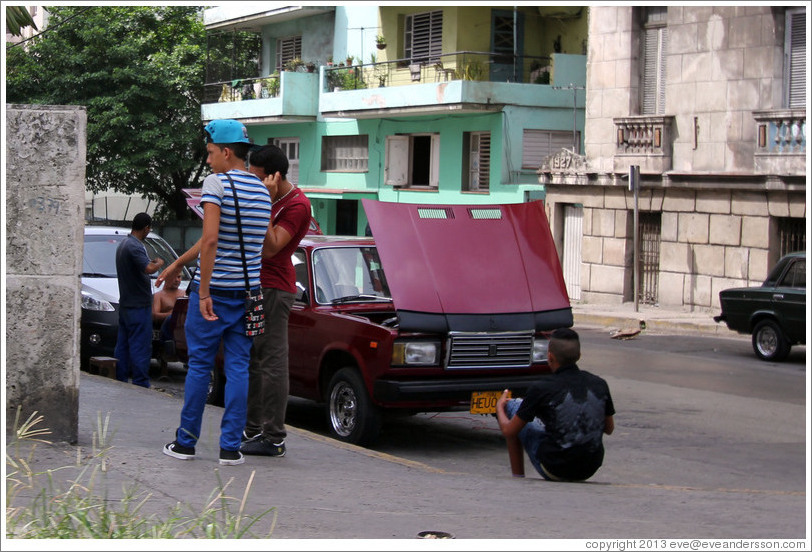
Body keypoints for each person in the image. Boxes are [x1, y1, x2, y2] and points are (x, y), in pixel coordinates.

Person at [161, 119, 271, 466]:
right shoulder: (261, 190)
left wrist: (204, 291)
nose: (208, 161)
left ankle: (186, 443)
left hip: (216, 292)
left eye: (210, 153)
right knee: (239, 367)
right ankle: (230, 448)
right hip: (249, 293)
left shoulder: (216, 183)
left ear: (226, 151)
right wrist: (178, 261)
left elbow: (210, 239)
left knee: (199, 366)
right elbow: (263, 245)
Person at [240, 145, 313, 457]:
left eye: (257, 179)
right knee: (253, 360)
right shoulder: (266, 195)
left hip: (275, 288)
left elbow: (271, 248)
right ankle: (252, 428)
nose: (253, 184)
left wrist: (267, 203)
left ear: (275, 176)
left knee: (272, 361)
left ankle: (274, 437)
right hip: (255, 284)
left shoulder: (296, 206)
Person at [496, 327, 615, 481]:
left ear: (550, 357)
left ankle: (518, 477)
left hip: (555, 468)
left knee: (513, 405)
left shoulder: (541, 388)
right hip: (590, 467)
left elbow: (508, 431)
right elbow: (609, 428)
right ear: (579, 356)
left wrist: (500, 406)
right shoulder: (600, 384)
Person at [114, 212, 164, 388]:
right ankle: (141, 383)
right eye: (149, 229)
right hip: (138, 306)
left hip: (127, 304)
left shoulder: (123, 245)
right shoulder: (134, 246)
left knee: (124, 345)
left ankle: (120, 378)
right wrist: (159, 263)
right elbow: (149, 268)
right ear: (146, 228)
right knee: (140, 346)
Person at [152, 272, 185, 342]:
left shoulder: (185, 293)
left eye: (179, 277)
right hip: (168, 331)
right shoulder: (159, 295)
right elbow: (154, 316)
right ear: (166, 278)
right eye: (174, 277)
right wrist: (172, 314)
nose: (177, 280)